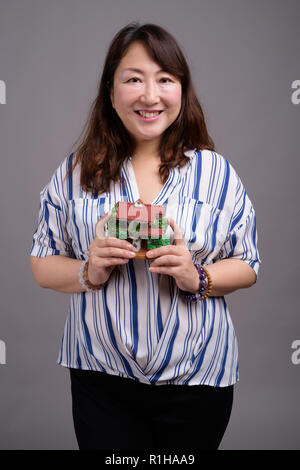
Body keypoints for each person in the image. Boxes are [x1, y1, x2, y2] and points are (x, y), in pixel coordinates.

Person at [30, 22, 261, 451]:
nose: (149, 96)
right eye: (133, 79)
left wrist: (197, 277)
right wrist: (88, 271)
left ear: (182, 90)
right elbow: (42, 263)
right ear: (111, 90)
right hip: (100, 376)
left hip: (197, 377)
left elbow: (248, 265)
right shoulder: (75, 172)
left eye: (165, 80)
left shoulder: (216, 173)